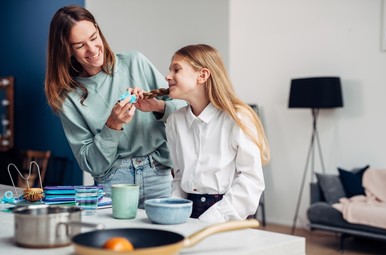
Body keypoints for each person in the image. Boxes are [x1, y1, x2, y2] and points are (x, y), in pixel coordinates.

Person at [44, 5, 186, 208]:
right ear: (66, 50)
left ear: (98, 30)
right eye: (79, 45)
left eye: (94, 38)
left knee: (163, 238)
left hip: (158, 173)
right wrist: (112, 125)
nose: (92, 50)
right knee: (115, 240)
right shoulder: (68, 98)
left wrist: (157, 106)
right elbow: (90, 163)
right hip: (113, 180)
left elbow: (183, 108)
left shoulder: (135, 62)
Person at [165, 44, 270, 223]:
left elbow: (251, 181)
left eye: (176, 70)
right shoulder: (175, 121)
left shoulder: (238, 118)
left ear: (203, 75)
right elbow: (180, 174)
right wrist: (175, 209)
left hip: (226, 212)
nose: (168, 76)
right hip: (187, 210)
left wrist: (214, 217)